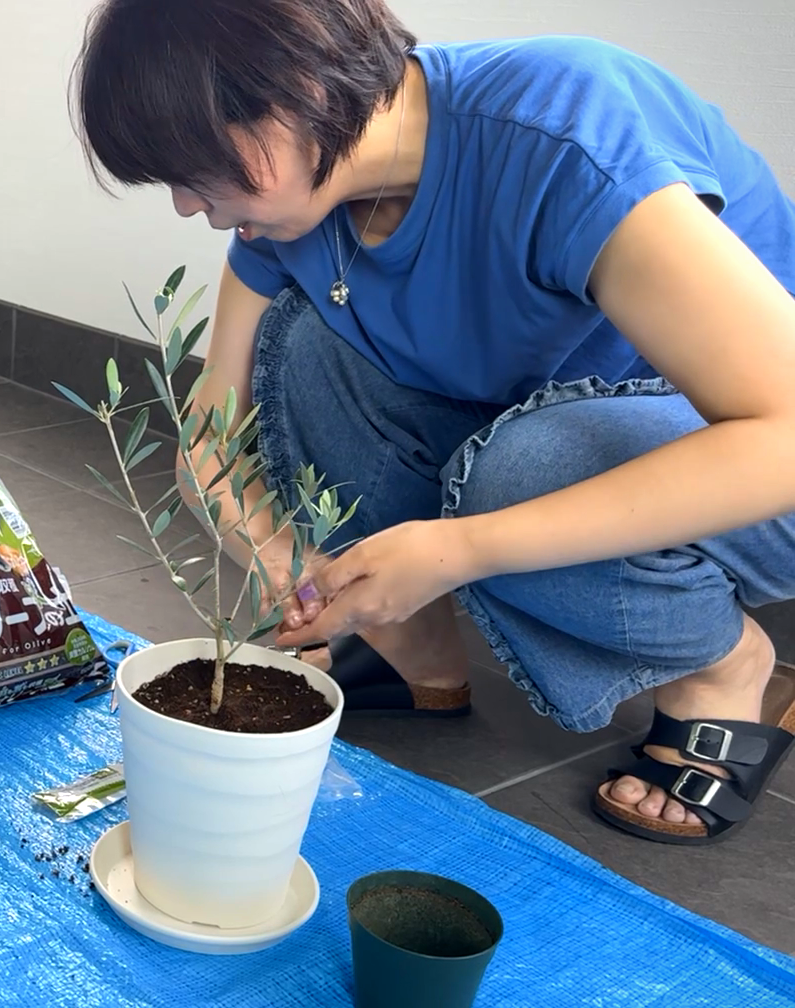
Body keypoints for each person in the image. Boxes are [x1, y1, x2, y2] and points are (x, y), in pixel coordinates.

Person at [73, 0, 795, 845]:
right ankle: (410, 644)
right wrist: (284, 567)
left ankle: (722, 668)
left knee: (518, 475)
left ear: (298, 92)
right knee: (302, 340)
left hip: (752, 468)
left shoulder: (564, 133)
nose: (185, 205)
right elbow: (210, 434)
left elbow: (780, 434)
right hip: (556, 428)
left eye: (195, 169)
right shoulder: (299, 212)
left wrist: (461, 548)